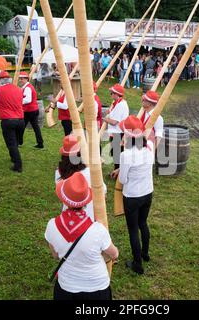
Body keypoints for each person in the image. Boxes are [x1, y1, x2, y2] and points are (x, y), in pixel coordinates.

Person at [45, 172, 119, 300]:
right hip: (97, 288)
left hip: (67, 287)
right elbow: (114, 254)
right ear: (86, 201)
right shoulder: (98, 230)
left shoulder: (52, 225)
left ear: (64, 199)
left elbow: (56, 256)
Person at [111, 116, 155, 275]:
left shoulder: (126, 155)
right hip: (147, 193)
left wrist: (120, 171)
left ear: (128, 136)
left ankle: (137, 264)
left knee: (133, 229)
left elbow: (123, 179)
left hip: (132, 196)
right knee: (143, 223)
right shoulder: (149, 146)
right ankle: (145, 254)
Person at [0, 71, 25, 173]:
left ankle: (18, 165)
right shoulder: (19, 89)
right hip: (20, 119)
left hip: (8, 120)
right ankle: (14, 157)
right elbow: (21, 102)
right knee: (15, 142)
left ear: (0, 80)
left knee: (11, 143)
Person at [104, 84, 129, 171]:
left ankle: (117, 173)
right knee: (116, 154)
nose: (110, 94)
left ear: (116, 94)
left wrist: (105, 119)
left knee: (117, 155)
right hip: (116, 133)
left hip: (118, 133)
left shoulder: (121, 105)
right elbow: (111, 113)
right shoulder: (117, 103)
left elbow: (114, 122)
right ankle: (117, 171)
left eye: (112, 93)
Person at [18, 72, 44, 149]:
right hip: (32, 110)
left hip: (29, 111)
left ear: (26, 79)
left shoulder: (28, 88)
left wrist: (19, 101)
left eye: (22, 79)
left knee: (22, 127)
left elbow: (28, 100)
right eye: (20, 79)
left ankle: (19, 142)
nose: (20, 80)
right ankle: (40, 143)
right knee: (35, 127)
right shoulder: (26, 87)